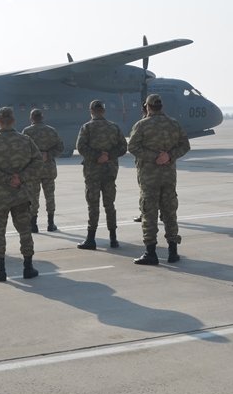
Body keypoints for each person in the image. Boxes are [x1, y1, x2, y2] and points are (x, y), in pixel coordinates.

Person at [0, 107, 45, 281]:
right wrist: (19, 178)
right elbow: (38, 162)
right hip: (21, 193)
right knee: (25, 231)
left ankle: (0, 270)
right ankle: (28, 267)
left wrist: (5, 179)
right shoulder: (25, 140)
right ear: (13, 121)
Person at [128, 93, 191, 265]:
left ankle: (151, 253)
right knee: (170, 212)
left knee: (149, 212)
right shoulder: (174, 124)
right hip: (168, 176)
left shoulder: (141, 125)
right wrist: (168, 156)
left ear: (147, 107)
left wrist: (153, 157)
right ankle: (173, 251)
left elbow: (132, 146)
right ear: (161, 106)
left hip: (149, 177)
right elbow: (185, 145)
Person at [76, 100, 127, 249]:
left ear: (91, 111)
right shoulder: (114, 127)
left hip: (93, 172)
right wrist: (109, 156)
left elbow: (81, 147)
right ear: (103, 111)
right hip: (110, 171)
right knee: (109, 204)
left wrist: (97, 156)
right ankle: (113, 238)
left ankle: (91, 239)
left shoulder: (87, 127)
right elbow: (123, 147)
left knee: (93, 205)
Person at [22, 109, 64, 232]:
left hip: (33, 170)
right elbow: (60, 147)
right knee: (50, 196)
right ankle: (51, 223)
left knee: (33, 197)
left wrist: (35, 156)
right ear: (42, 117)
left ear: (31, 118)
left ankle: (33, 224)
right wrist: (48, 154)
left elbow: (23, 150)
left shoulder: (27, 132)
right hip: (48, 169)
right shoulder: (51, 131)